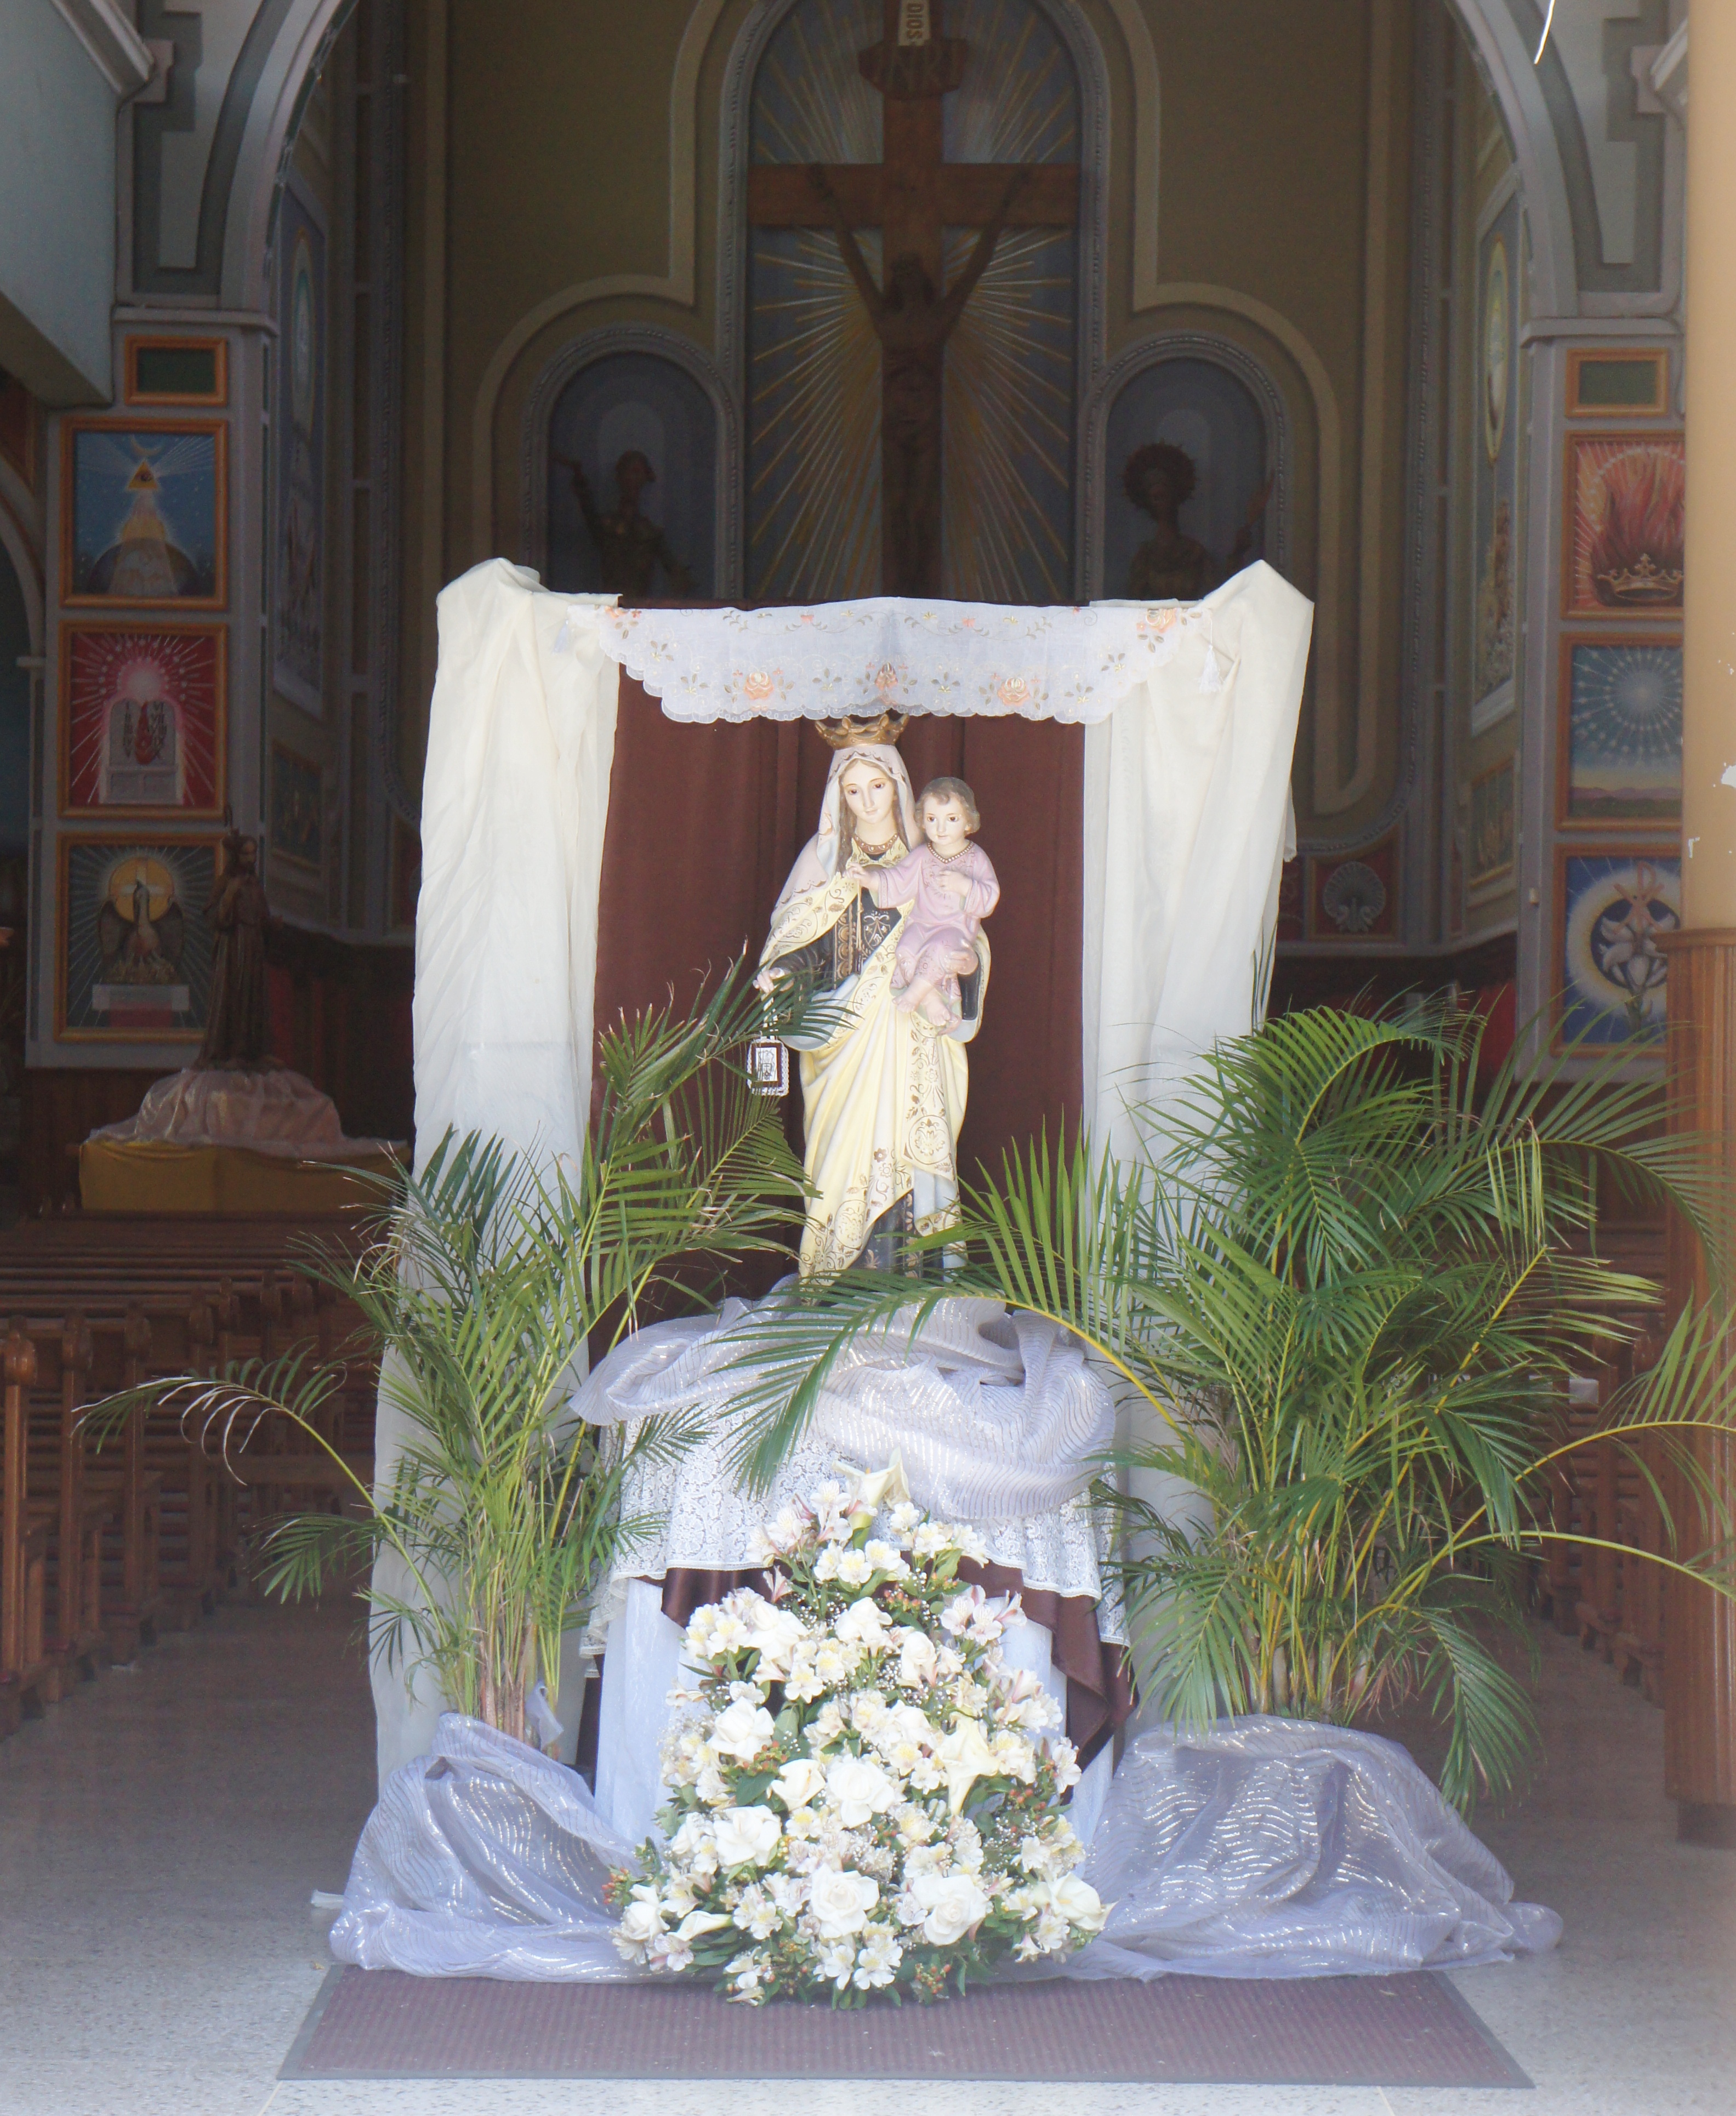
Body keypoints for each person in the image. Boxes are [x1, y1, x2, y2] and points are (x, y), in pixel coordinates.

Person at [753, 732, 989, 1275]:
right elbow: (803, 941)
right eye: (853, 789)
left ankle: (920, 1276)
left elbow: (968, 935)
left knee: (913, 1142)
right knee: (843, 1151)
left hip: (914, 1032)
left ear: (897, 785)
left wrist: (966, 964)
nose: (867, 801)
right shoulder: (824, 861)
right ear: (838, 795)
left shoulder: (930, 858)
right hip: (847, 1035)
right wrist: (784, 972)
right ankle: (840, 1277)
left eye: (877, 786)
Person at [849, 776, 998, 1030]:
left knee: (941, 952)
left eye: (952, 819)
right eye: (932, 819)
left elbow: (990, 896)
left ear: (968, 821)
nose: (941, 828)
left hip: (954, 930)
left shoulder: (976, 858)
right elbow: (897, 879)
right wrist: (869, 879)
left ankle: (915, 994)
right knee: (905, 951)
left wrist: (965, 885)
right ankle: (931, 1000)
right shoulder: (922, 856)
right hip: (920, 925)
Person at [1123, 440, 1269, 601]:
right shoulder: (1145, 558)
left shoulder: (1195, 554)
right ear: (1148, 502)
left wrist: (1238, 553)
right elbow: (1134, 603)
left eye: (1165, 494)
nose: (1162, 502)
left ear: (1175, 496)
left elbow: (1219, 596)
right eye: (1156, 497)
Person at [556, 448, 696, 599]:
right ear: (620, 477)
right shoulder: (607, 527)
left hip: (640, 606)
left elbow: (678, 575)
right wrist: (579, 479)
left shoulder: (650, 534)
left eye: (638, 473)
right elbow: (589, 512)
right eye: (629, 472)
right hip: (609, 605)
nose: (632, 480)